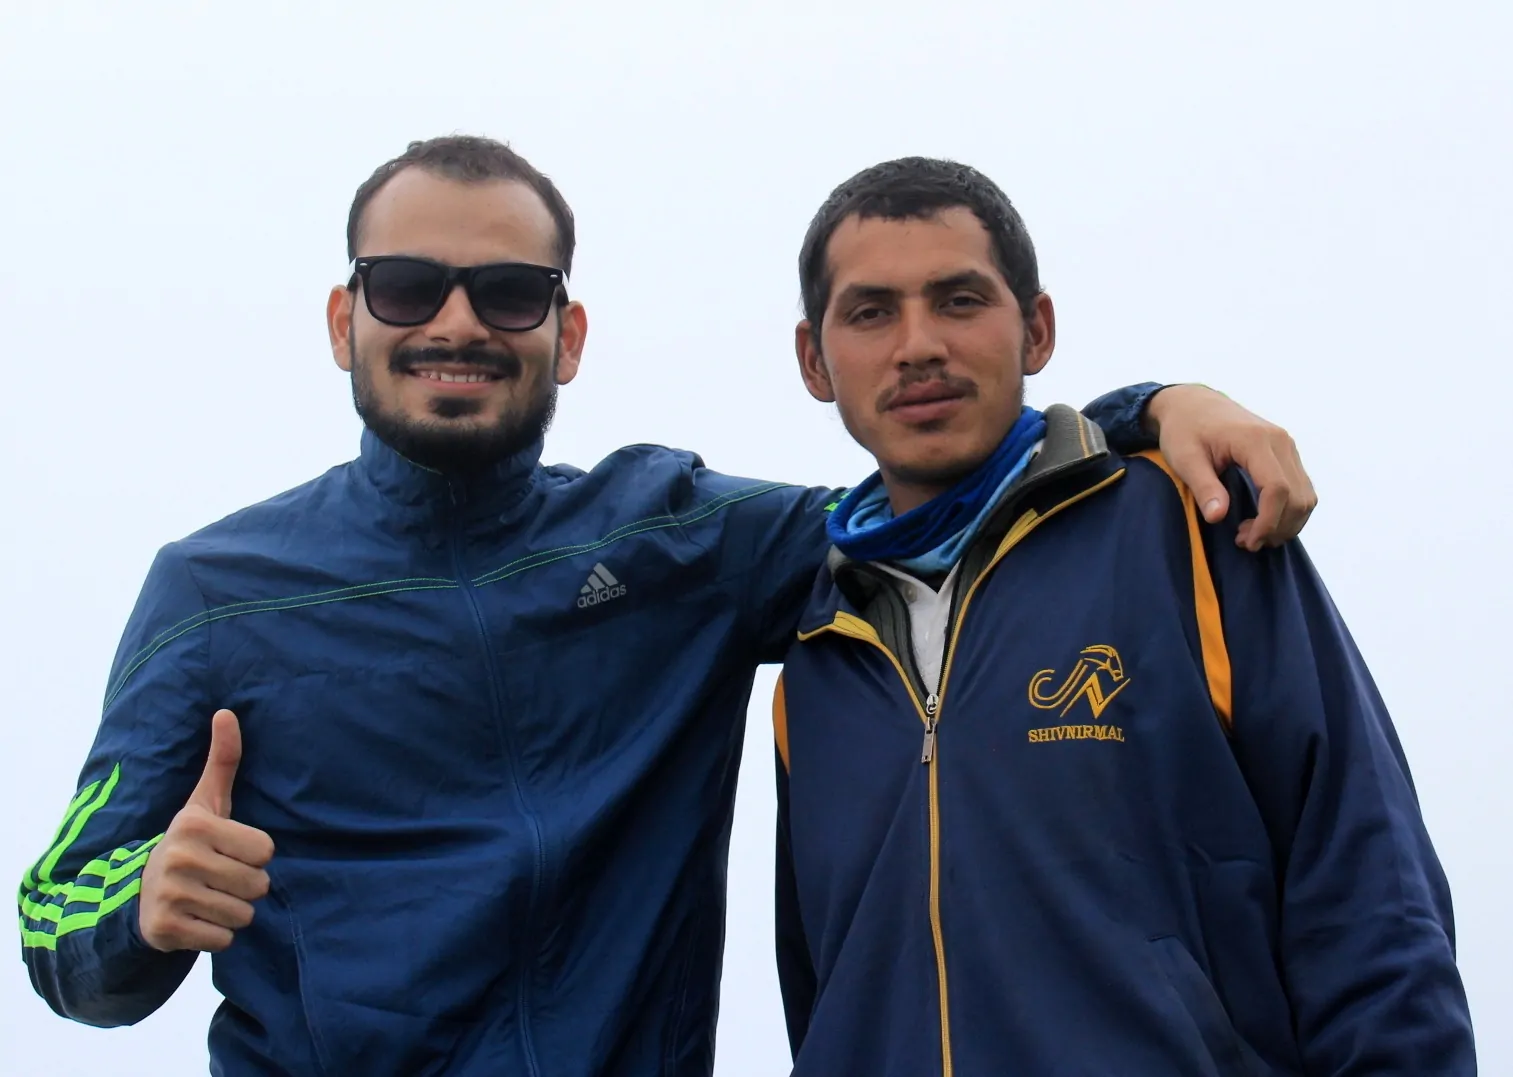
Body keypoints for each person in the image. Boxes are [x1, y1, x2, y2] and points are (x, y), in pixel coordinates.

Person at [18, 136, 1316, 1077]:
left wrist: (1151, 410)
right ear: (343, 317)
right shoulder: (213, 591)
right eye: (409, 286)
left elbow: (940, 489)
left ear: (566, 333)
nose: (457, 321)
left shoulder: (683, 541)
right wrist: (142, 904)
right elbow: (51, 919)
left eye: (508, 293)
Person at [770, 156, 1475, 1076]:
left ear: (1035, 329)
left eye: (958, 300)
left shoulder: (1193, 525)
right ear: (814, 361)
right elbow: (820, 995)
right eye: (871, 313)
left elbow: (1366, 883)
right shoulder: (816, 662)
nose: (917, 345)